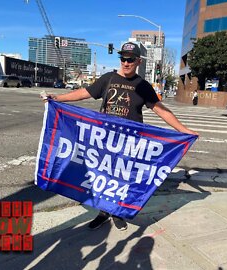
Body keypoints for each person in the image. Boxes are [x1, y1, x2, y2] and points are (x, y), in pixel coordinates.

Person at [44, 42, 199, 231]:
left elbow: (161, 110)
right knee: (102, 176)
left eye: (130, 59)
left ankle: (117, 212)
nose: (126, 63)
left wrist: (183, 130)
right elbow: (84, 93)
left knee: (122, 177)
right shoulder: (108, 78)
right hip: (104, 139)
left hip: (129, 142)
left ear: (138, 61)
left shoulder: (143, 86)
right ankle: (103, 212)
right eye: (123, 58)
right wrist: (57, 99)